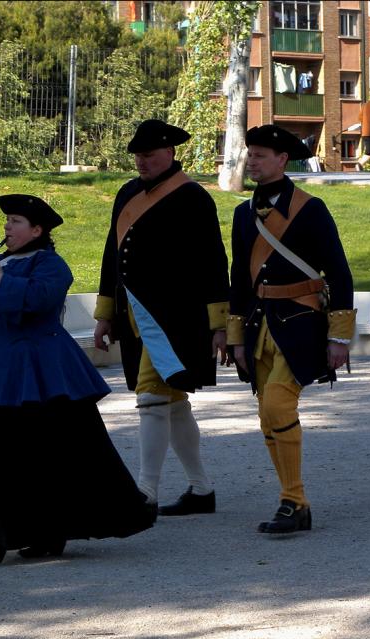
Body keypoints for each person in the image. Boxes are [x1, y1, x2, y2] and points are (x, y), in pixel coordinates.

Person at [0, 194, 155, 563]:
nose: (7, 228)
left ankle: (48, 533)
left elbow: (36, 304)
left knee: (43, 456)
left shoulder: (52, 265)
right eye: (7, 221)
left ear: (36, 230)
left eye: (15, 221)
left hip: (40, 372)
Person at [93, 119, 230, 518]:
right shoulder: (127, 193)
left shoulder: (193, 197)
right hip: (134, 313)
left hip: (176, 317)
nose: (141, 161)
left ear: (170, 152)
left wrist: (219, 323)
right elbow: (110, 258)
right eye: (137, 155)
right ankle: (202, 490)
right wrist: (105, 314)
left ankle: (144, 492)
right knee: (172, 402)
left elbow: (212, 263)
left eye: (149, 155)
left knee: (152, 395)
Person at [228, 125, 356, 534]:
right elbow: (238, 279)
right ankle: (291, 501)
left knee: (278, 407)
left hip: (300, 323)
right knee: (268, 417)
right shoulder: (243, 213)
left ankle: (294, 500)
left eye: (261, 155)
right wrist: (234, 337)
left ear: (283, 160)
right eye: (251, 154)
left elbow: (338, 271)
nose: (253, 161)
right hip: (259, 325)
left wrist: (338, 336)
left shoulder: (310, 209)